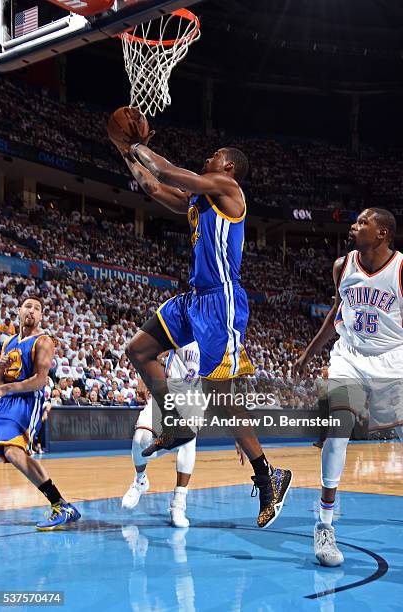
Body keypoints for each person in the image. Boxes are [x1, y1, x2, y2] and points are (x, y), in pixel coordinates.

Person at [114, 138, 292, 529]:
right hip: (194, 299)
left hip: (221, 302)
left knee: (219, 394)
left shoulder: (230, 191)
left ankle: (268, 476)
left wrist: (138, 143)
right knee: (138, 349)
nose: (208, 156)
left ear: (228, 167)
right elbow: (154, 186)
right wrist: (125, 151)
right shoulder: (197, 200)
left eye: (215, 155)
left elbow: (164, 171)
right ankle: (176, 421)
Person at [294, 208, 403, 566]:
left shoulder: (401, 270)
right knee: (338, 429)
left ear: (383, 233)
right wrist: (309, 354)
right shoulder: (343, 265)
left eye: (362, 223)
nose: (354, 227)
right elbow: (336, 313)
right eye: (355, 221)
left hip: (391, 358)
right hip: (350, 354)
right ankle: (324, 525)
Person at [0, 296, 81, 530]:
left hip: (25, 402)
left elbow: (40, 381)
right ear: (19, 311)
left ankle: (59, 504)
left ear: (41, 316)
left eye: (37, 308)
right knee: (11, 452)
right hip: (4, 401)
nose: (31, 311)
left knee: (13, 452)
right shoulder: (8, 342)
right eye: (27, 307)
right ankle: (61, 505)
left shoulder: (44, 341)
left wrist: (4, 388)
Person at [122, 342, 199, 528]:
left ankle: (178, 503)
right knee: (141, 439)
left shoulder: (221, 341)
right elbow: (154, 351)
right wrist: (143, 375)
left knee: (188, 443)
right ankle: (140, 481)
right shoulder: (185, 329)